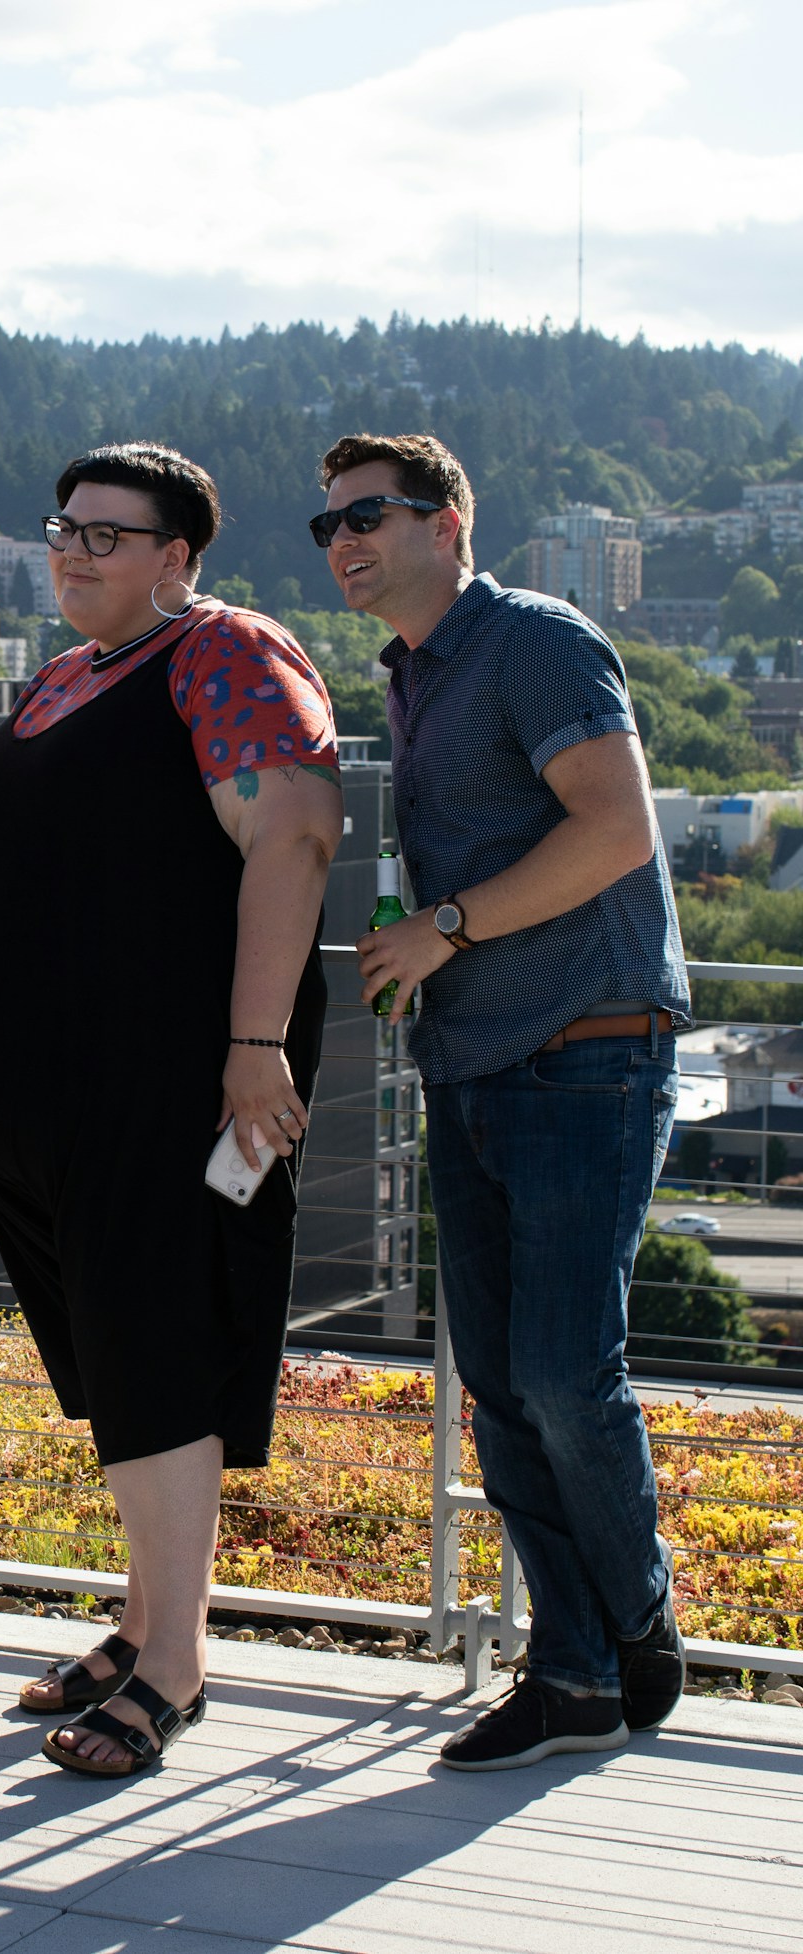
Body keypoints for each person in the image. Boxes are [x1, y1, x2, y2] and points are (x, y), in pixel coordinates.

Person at [0, 441, 342, 1778]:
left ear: (177, 557)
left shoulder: (223, 650)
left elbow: (294, 833)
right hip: (48, 1100)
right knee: (118, 1355)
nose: (75, 550)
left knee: (157, 1347)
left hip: (165, 1078)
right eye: (65, 527)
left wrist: (253, 1043)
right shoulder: (65, 678)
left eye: (111, 535)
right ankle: (144, 1617)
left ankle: (175, 1660)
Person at [334, 431, 691, 1769]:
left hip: (585, 1044)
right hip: (475, 1057)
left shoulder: (537, 637)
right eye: (328, 526)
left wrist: (447, 925)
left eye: (368, 513)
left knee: (558, 1365)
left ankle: (637, 1614)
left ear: (452, 519)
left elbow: (615, 828)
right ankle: (577, 1672)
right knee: (498, 1378)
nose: (343, 540)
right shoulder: (413, 677)